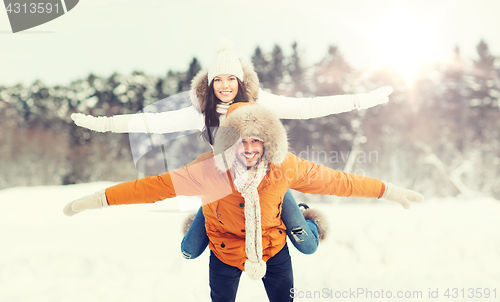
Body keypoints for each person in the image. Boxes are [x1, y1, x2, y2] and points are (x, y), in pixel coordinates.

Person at [63, 102, 423, 302]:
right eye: (242, 142)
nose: (249, 150)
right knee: (197, 260)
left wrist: (389, 191)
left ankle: (301, 219)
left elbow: (338, 181)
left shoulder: (285, 167)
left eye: (257, 142)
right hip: (224, 250)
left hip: (272, 246)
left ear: (268, 143)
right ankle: (202, 218)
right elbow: (152, 188)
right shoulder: (208, 170)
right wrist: (98, 198)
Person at [70, 39, 394, 260]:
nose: (225, 86)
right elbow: (153, 122)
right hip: (221, 188)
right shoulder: (202, 111)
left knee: (308, 245)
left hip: (266, 185)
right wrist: (105, 124)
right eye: (218, 80)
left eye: (231, 79)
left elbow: (309, 107)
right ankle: (211, 218)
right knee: (189, 249)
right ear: (210, 84)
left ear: (240, 81)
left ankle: (297, 211)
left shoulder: (260, 102)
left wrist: (361, 101)